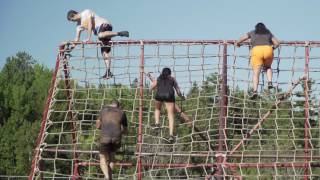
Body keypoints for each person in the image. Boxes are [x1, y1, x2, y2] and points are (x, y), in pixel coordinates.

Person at [67, 9, 129, 79]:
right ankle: (108, 72)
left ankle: (119, 33)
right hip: (103, 33)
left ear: (75, 14)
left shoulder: (85, 13)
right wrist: (70, 49)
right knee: (104, 52)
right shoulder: (78, 26)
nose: (73, 21)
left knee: (100, 35)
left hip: (104, 24)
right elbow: (76, 39)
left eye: (73, 19)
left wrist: (89, 38)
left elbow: (90, 23)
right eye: (72, 21)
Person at [235, 22, 280, 99]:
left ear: (256, 28)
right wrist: (272, 48)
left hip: (256, 50)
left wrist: (238, 43)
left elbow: (241, 39)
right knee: (268, 67)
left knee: (256, 73)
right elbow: (277, 43)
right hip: (268, 49)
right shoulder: (268, 32)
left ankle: (255, 90)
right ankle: (269, 82)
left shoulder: (252, 32)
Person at [150, 68, 184, 143]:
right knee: (170, 115)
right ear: (170, 73)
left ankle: (157, 123)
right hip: (169, 95)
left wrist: (151, 90)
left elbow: (152, 87)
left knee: (157, 109)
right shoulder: (172, 79)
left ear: (162, 73)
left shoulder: (159, 78)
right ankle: (171, 135)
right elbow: (178, 91)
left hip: (159, 95)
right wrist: (182, 97)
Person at [96, 100, 128, 180]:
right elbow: (125, 130)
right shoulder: (122, 112)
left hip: (105, 137)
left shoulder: (104, 110)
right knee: (112, 157)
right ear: (118, 106)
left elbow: (98, 125)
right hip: (116, 138)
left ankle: (106, 177)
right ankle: (109, 177)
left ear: (110, 104)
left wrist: (102, 127)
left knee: (102, 157)